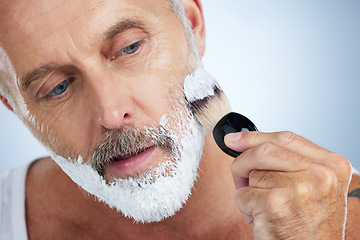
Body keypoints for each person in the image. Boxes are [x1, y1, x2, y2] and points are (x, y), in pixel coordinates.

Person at [0, 0, 359, 239]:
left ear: (192, 24)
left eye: (129, 48)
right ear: (15, 108)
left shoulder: (344, 218)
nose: (110, 114)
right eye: (57, 87)